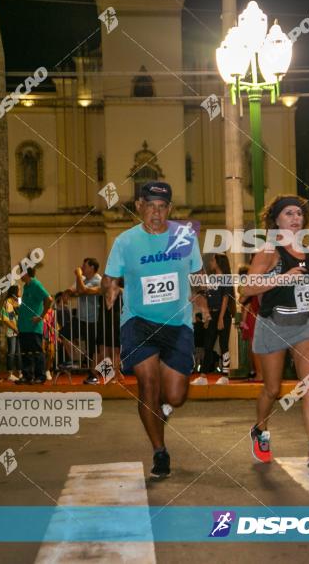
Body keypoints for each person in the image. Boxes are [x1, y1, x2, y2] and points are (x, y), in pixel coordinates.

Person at [102, 181, 208, 479]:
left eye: (162, 207)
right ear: (139, 207)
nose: (156, 214)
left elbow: (197, 273)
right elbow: (109, 277)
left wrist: (200, 296)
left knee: (175, 397)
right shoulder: (125, 242)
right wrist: (109, 290)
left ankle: (159, 405)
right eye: (150, 206)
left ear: (170, 209)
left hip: (177, 323)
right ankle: (160, 451)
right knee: (147, 385)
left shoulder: (185, 236)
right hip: (138, 321)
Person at [241, 194, 309, 467]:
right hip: (274, 325)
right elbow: (247, 289)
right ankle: (260, 430)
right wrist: (283, 277)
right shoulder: (268, 252)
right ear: (276, 220)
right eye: (289, 214)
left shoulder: (305, 252)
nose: (296, 218)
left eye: (299, 214)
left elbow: (299, 285)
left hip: (304, 324)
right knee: (272, 389)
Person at [194, 254, 235, 385]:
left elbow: (225, 298)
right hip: (212, 314)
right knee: (208, 345)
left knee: (223, 345)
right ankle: (203, 375)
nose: (211, 262)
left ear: (219, 262)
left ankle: (225, 375)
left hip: (223, 315)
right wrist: (207, 317)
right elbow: (207, 297)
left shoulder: (225, 278)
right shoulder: (211, 279)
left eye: (213, 260)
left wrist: (221, 318)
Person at [67, 258, 103, 384]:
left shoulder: (98, 280)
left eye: (85, 265)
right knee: (65, 334)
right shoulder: (83, 279)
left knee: (96, 349)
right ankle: (73, 362)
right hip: (81, 318)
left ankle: (97, 374)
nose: (81, 267)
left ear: (92, 268)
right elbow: (71, 292)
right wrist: (78, 281)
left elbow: (82, 291)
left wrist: (78, 275)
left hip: (94, 320)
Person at [14, 267, 52, 385]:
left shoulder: (36, 284)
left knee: (36, 352)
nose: (19, 274)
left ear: (26, 272)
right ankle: (27, 375)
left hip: (33, 326)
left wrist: (41, 316)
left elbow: (49, 299)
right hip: (24, 326)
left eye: (21, 271)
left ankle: (40, 376)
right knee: (26, 352)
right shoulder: (26, 286)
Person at [237, 264, 261, 381]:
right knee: (255, 345)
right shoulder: (256, 283)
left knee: (254, 346)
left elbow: (241, 300)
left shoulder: (251, 285)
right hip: (254, 315)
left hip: (253, 316)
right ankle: (257, 371)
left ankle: (258, 372)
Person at [98, 277, 124, 383]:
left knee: (115, 349)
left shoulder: (120, 290)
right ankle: (109, 375)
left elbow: (109, 304)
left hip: (115, 320)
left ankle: (115, 375)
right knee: (102, 348)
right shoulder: (103, 290)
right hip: (103, 319)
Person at [0, 285, 21, 382]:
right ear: (14, 292)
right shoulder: (8, 302)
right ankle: (10, 373)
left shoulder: (18, 301)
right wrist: (15, 328)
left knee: (19, 353)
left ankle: (20, 372)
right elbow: (7, 319)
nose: (20, 291)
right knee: (12, 352)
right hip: (12, 331)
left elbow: (22, 311)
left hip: (19, 330)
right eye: (19, 289)